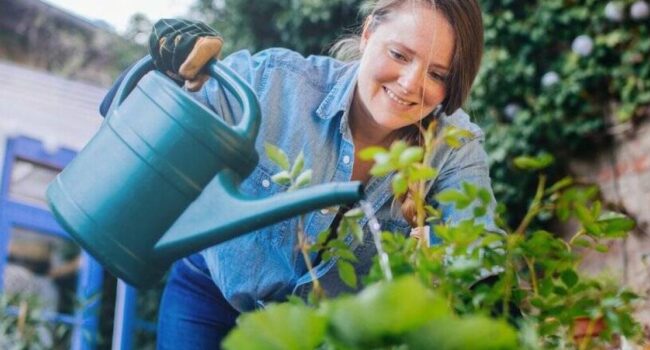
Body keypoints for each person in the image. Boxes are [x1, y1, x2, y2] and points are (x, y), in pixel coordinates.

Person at [102, 0, 499, 348]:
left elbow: (479, 249)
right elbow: (134, 116)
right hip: (211, 294)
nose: (411, 83)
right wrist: (169, 64)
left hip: (316, 336)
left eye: (437, 74)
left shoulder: (452, 148)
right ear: (368, 34)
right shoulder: (274, 82)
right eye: (399, 54)